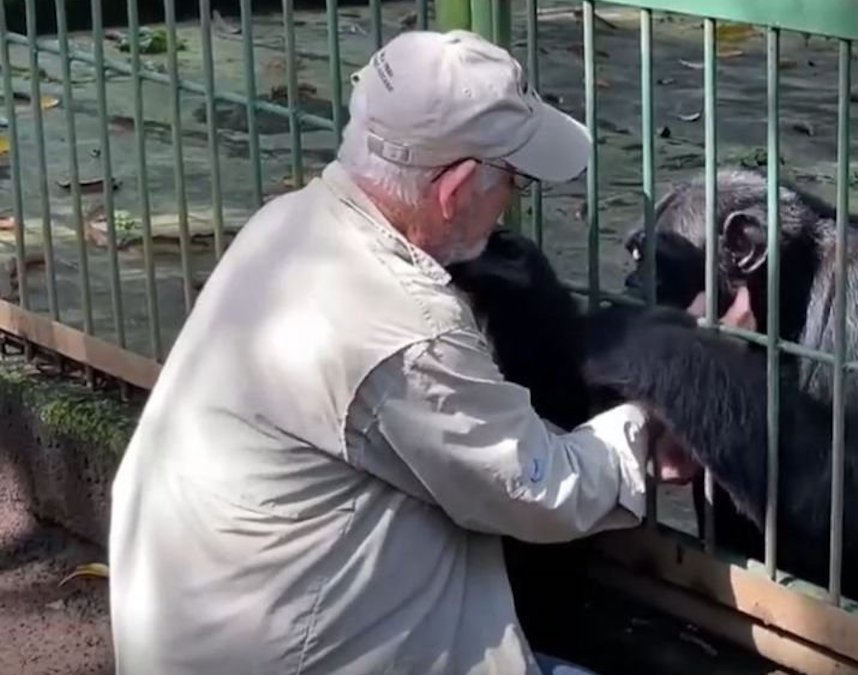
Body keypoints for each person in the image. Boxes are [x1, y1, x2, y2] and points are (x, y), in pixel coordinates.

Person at [106, 29, 701, 675]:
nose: (510, 206)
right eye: (513, 184)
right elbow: (539, 490)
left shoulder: (287, 223)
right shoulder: (406, 327)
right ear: (456, 190)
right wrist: (648, 426)